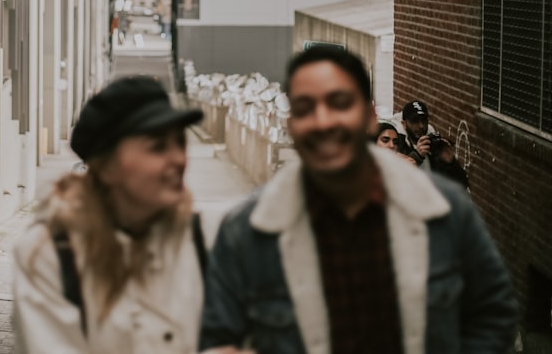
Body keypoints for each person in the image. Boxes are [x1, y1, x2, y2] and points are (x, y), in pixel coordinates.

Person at [200, 46, 517, 354]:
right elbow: (218, 334)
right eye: (305, 107)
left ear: (369, 116)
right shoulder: (247, 231)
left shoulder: (443, 210)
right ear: (291, 124)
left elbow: (494, 314)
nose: (323, 121)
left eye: (339, 103)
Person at [11, 75, 252, 354]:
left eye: (179, 142)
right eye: (158, 146)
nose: (178, 159)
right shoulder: (50, 255)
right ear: (107, 167)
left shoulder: (207, 238)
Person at [396, 99, 469, 188]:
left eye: (424, 120)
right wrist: (417, 156)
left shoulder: (434, 146)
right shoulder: (397, 145)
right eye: (415, 121)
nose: (421, 126)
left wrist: (451, 164)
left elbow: (461, 185)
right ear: (404, 124)